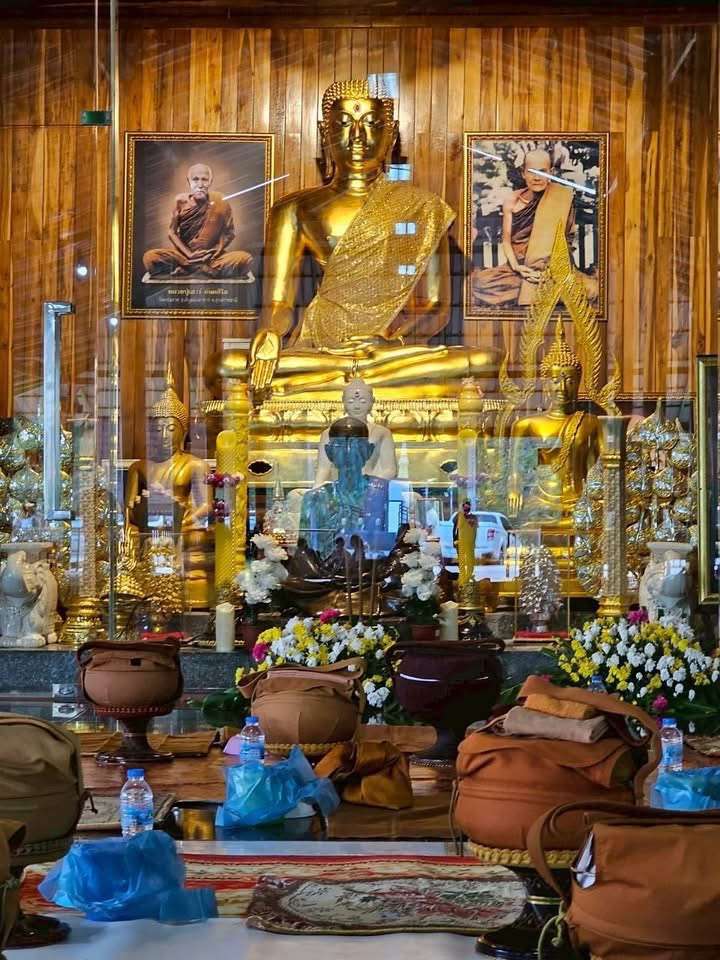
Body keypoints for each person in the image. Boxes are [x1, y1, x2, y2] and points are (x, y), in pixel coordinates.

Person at [472, 149, 596, 309]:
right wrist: (518, 267)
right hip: (517, 269)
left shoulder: (562, 197)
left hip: (553, 270)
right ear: (523, 173)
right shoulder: (512, 200)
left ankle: (542, 289)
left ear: (551, 173)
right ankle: (548, 292)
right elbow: (506, 240)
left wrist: (551, 270)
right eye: (531, 171)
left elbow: (567, 240)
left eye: (542, 171)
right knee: (479, 283)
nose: (537, 177)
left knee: (592, 289)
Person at [143, 163, 253, 280]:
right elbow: (172, 232)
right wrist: (190, 255)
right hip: (184, 256)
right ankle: (201, 268)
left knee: (246, 259)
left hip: (211, 257)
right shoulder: (180, 201)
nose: (200, 185)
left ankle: (189, 269)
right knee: (150, 258)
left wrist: (214, 252)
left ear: (210, 181)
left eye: (204, 180)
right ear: (189, 181)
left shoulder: (221, 201)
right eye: (195, 179)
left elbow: (229, 233)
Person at [313, 378, 397, 486]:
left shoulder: (382, 432)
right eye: (351, 401)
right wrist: (316, 490)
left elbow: (390, 470)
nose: (357, 406)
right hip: (340, 486)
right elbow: (323, 469)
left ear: (372, 401)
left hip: (368, 485)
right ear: (343, 401)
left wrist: (371, 486)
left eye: (363, 401)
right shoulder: (329, 433)